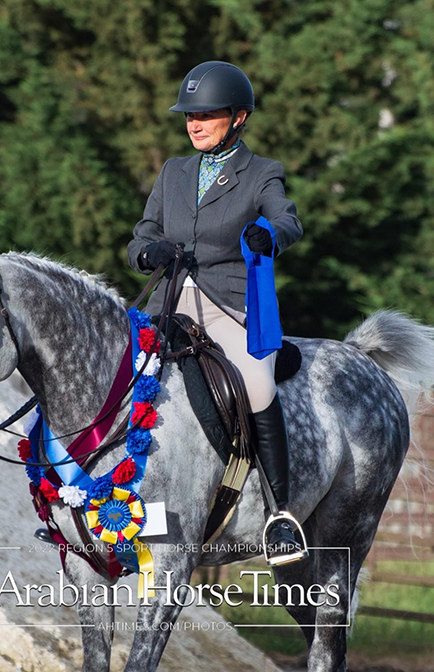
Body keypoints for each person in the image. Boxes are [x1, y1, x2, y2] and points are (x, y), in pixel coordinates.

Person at [127, 60, 305, 565]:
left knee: (256, 384)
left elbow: (286, 220)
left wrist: (266, 235)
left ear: (239, 116)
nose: (194, 123)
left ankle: (279, 515)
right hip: (168, 305)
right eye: (189, 115)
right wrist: (147, 253)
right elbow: (142, 233)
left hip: (228, 306)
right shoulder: (173, 171)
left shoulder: (261, 173)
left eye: (206, 114)